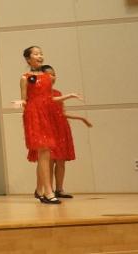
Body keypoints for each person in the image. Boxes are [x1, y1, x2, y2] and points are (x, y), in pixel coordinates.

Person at [27, 64, 91, 199]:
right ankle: (46, 190)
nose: (52, 77)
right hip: (47, 128)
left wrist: (81, 118)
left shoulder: (58, 93)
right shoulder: (38, 93)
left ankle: (59, 189)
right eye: (49, 74)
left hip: (60, 129)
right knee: (48, 160)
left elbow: (62, 113)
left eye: (54, 74)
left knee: (61, 161)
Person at [18, 46, 65, 204]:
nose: (40, 56)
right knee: (43, 152)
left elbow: (50, 98)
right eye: (36, 54)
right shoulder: (25, 78)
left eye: (41, 54)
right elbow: (24, 99)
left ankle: (42, 191)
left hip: (46, 115)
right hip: (33, 115)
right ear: (28, 59)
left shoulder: (47, 78)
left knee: (45, 154)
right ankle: (48, 192)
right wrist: (21, 103)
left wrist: (68, 96)